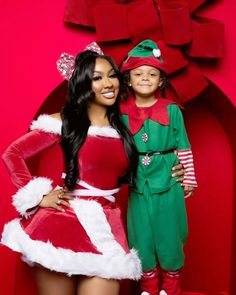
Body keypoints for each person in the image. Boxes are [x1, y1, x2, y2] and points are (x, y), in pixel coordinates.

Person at [1, 48, 142, 295]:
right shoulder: (65, 121)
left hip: (105, 228)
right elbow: (12, 154)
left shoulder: (125, 128)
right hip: (59, 227)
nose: (108, 83)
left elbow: (153, 159)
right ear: (83, 84)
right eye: (97, 78)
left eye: (112, 75)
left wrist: (175, 172)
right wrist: (38, 196)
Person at [119, 39, 198, 295]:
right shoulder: (121, 112)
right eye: (138, 73)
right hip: (137, 181)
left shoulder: (172, 110)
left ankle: (172, 286)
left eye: (152, 74)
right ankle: (148, 286)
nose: (145, 78)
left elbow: (184, 146)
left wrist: (189, 179)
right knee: (140, 232)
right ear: (128, 79)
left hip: (168, 179)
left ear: (161, 80)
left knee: (169, 231)